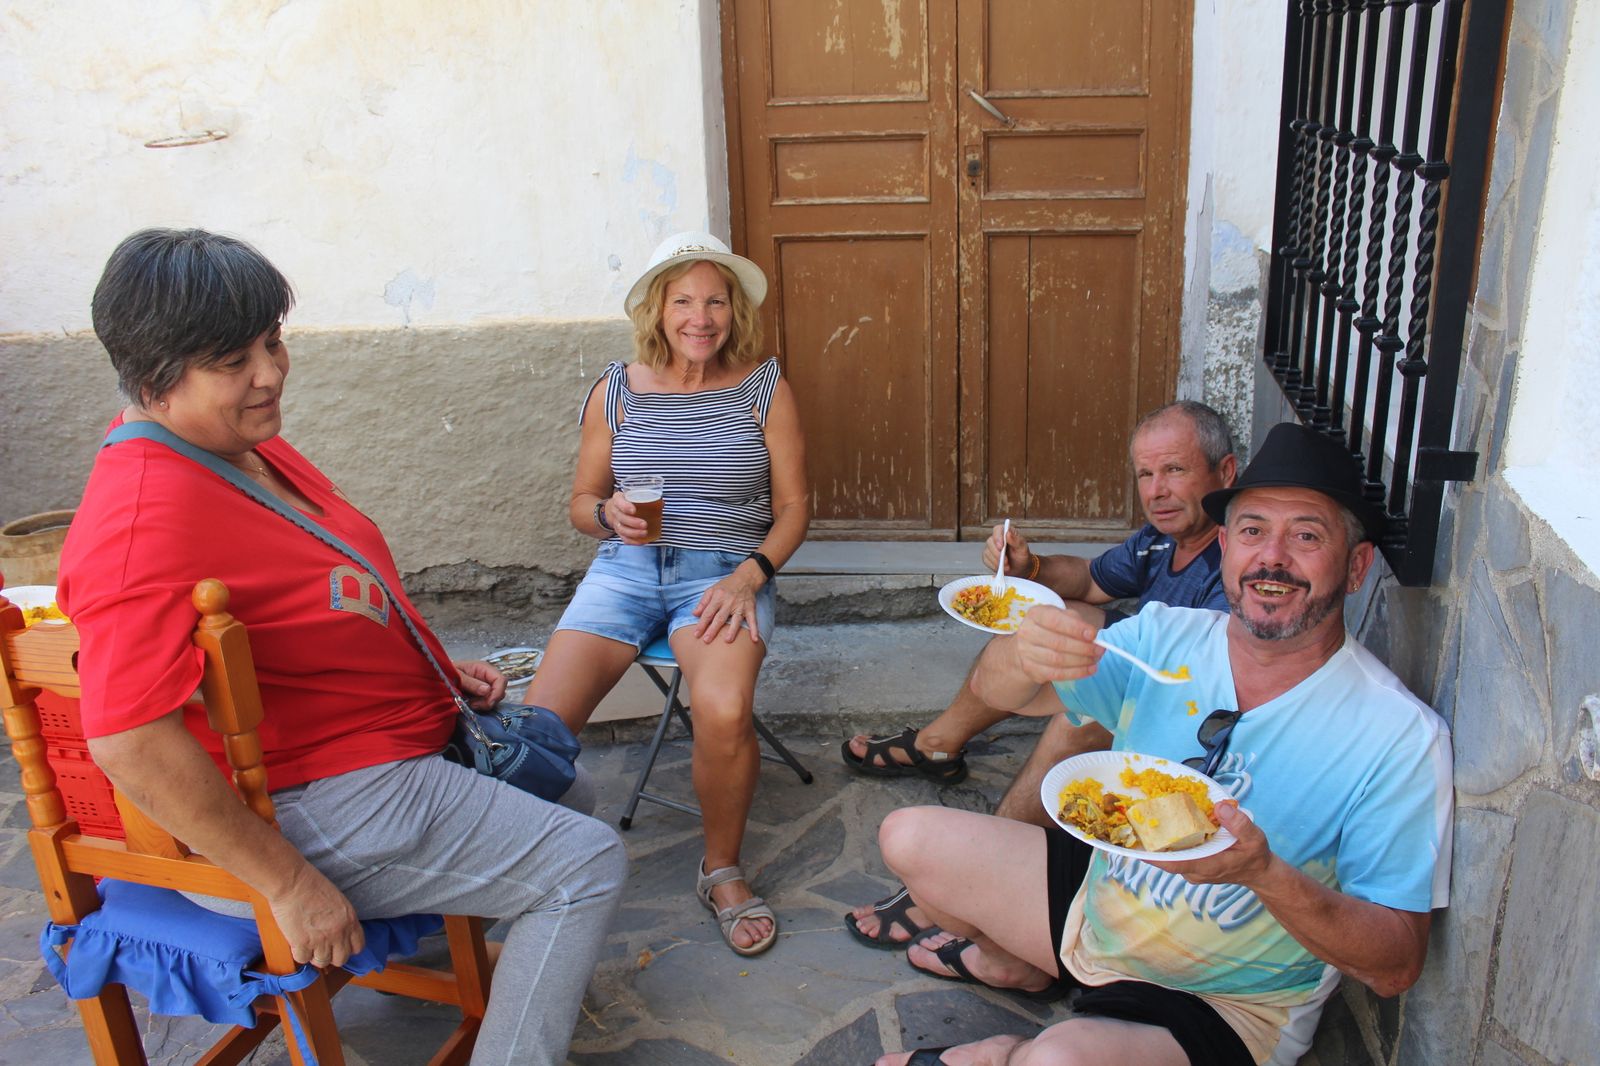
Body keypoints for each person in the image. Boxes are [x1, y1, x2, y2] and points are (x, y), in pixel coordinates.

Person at [58, 228, 627, 1066]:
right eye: (233, 361)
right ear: (152, 379)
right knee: (588, 862)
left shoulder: (237, 446)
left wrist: (430, 668)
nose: (270, 373)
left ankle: (467, 963)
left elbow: (333, 575)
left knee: (565, 795)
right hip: (307, 799)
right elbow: (127, 739)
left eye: (272, 341)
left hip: (362, 750)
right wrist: (288, 885)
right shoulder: (140, 519)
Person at [870, 422, 1452, 1066]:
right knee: (907, 837)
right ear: (1227, 545)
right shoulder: (1165, 638)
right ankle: (1034, 977)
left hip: (1229, 999)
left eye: (1307, 536)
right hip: (1101, 915)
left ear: (1357, 566)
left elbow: (1397, 965)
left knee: (1057, 1060)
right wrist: (1024, 651)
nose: (1273, 557)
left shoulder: (1396, 734)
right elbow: (1007, 692)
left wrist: (1262, 874)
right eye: (1253, 531)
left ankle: (999, 1056)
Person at [845, 401, 1238, 948]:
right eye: (1145, 474)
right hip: (1144, 664)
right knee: (1050, 624)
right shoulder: (1161, 538)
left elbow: (1209, 680)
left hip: (1191, 717)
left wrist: (1095, 685)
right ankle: (939, 745)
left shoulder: (1236, 556)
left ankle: (980, 872)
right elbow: (1091, 581)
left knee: (1083, 715)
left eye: (1174, 470)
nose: (1157, 490)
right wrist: (1028, 567)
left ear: (1226, 473)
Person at [522, 231, 809, 957]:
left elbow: (798, 507)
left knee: (722, 708)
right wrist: (605, 515)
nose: (700, 317)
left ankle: (722, 871)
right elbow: (581, 500)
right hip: (625, 568)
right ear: (658, 308)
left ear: (734, 309)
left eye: (715, 300)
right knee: (538, 726)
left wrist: (751, 574)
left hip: (723, 575)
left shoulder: (765, 386)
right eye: (683, 300)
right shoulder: (614, 388)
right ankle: (522, 871)